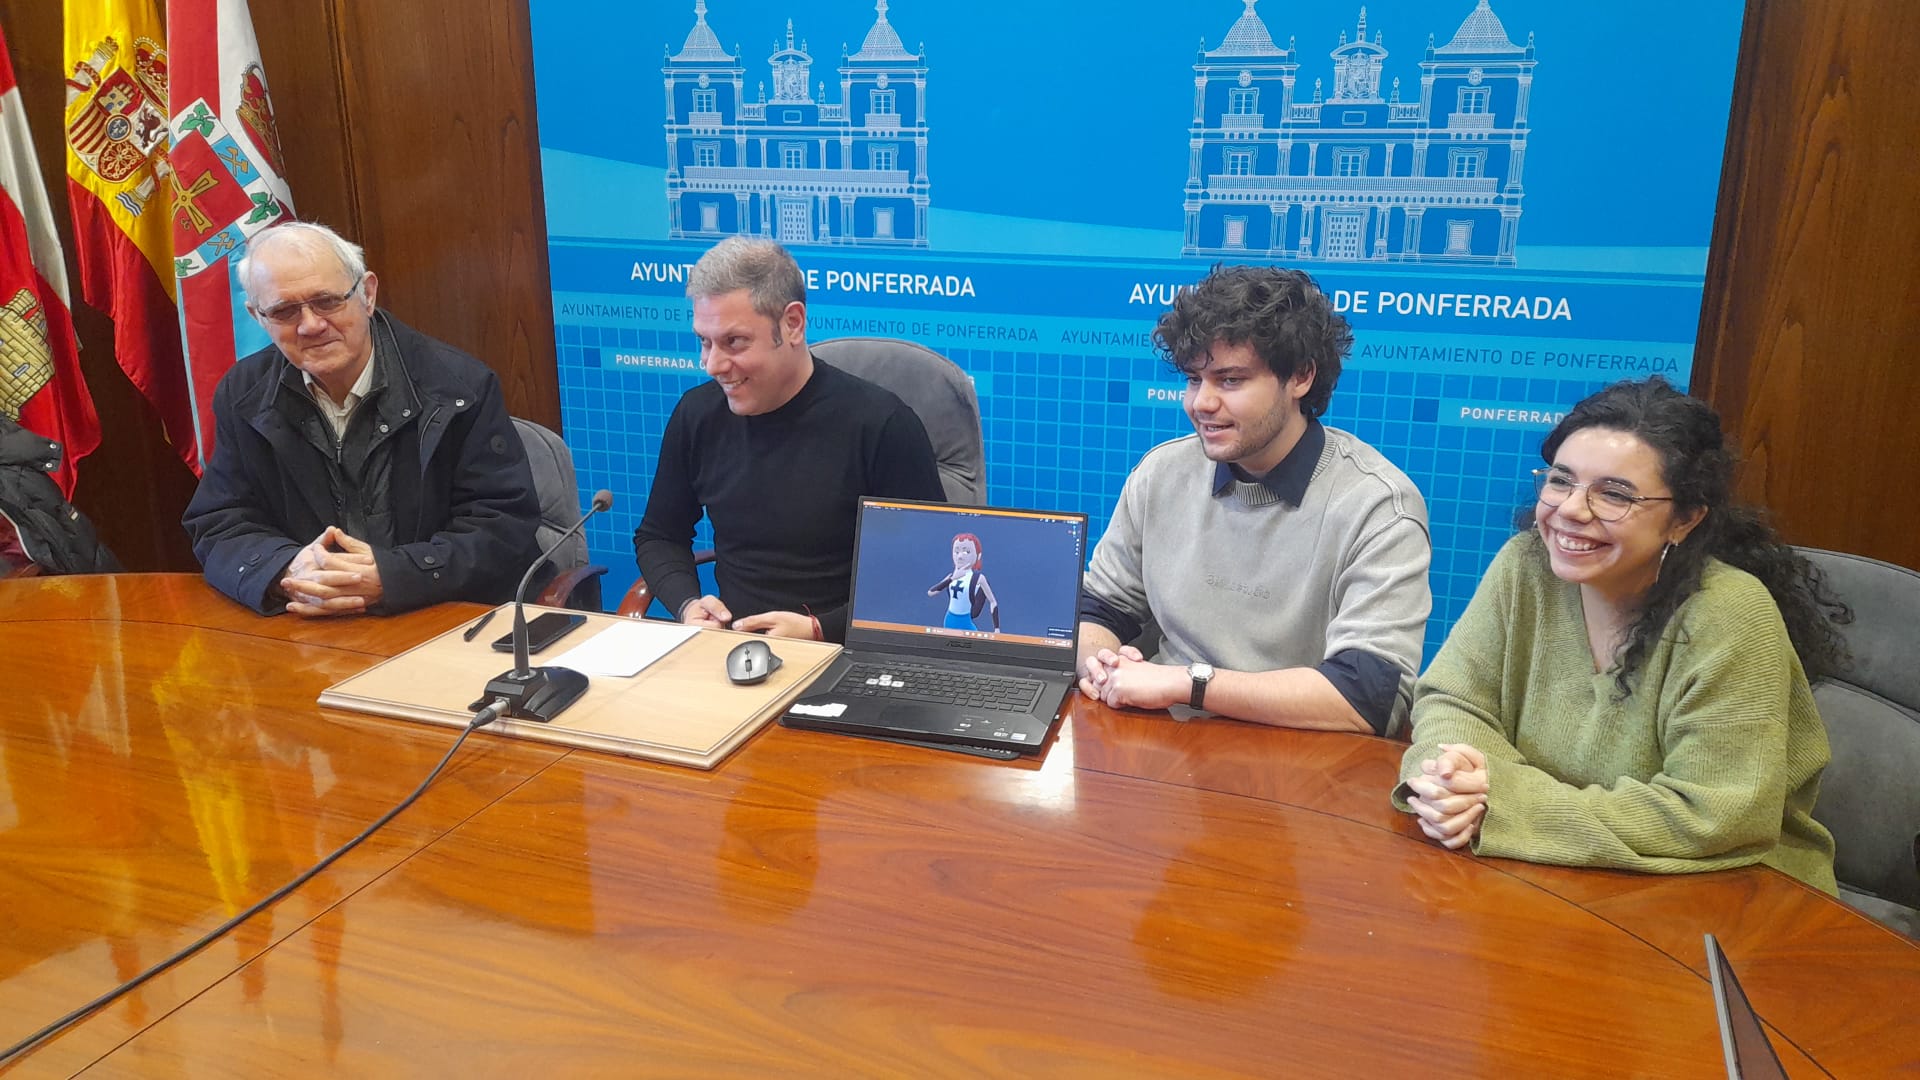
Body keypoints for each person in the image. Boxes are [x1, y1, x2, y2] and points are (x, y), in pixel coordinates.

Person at [1394, 377, 1847, 893]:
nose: (1571, 509)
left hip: (1724, 894)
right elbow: (1453, 699)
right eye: (1561, 480)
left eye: (1614, 494)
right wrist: (1455, 782)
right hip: (1547, 870)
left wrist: (1505, 799)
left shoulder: (1731, 615)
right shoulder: (1526, 565)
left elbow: (1714, 818)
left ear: (1685, 519)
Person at [1076, 265, 1431, 736]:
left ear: (1301, 377)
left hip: (1299, 760)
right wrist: (1099, 663)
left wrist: (1187, 684)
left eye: (1230, 380)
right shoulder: (1162, 473)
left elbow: (1366, 698)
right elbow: (1096, 609)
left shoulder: (1378, 506)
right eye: (1194, 379)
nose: (1200, 403)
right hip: (1158, 742)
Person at [182, 222, 542, 616]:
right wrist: (286, 568)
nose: (311, 325)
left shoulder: (458, 386)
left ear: (367, 294)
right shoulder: (243, 392)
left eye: (327, 301)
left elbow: (503, 525)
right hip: (307, 623)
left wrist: (393, 576)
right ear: (257, 316)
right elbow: (220, 522)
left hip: (440, 617)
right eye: (285, 311)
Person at [633, 237, 945, 642]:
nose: (712, 365)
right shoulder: (697, 415)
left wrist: (820, 629)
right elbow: (659, 535)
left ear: (792, 324)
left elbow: (929, 571)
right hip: (734, 650)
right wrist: (688, 604)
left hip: (848, 649)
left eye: (735, 342)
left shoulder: (882, 425)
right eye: (704, 341)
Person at [927, 531, 999, 632]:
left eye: (967, 552)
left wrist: (996, 628)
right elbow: (931, 592)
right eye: (956, 551)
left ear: (978, 556)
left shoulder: (978, 578)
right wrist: (952, 579)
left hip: (966, 620)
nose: (960, 556)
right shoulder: (950, 577)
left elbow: (993, 601)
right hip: (950, 619)